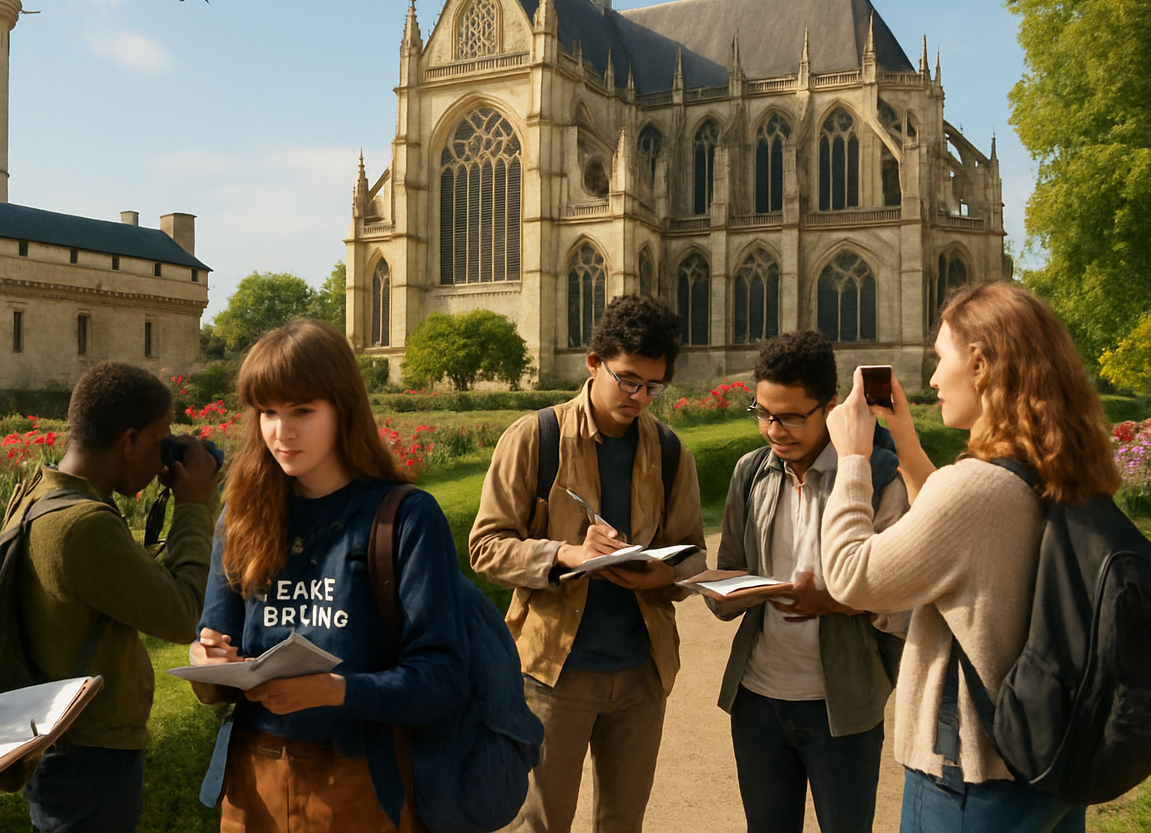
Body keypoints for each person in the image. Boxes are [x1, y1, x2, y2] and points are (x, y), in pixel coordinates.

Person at [821, 281, 1118, 832]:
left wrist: (854, 459)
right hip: (1047, 758)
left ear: (979, 364)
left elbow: (850, 576)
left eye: (941, 359)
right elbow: (959, 536)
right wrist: (903, 438)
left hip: (970, 773)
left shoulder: (975, 490)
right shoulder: (1057, 471)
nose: (932, 378)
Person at [189, 319, 468, 832]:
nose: (281, 431)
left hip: (360, 781)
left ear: (344, 409)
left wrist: (335, 690)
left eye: (302, 411)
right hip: (254, 785)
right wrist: (207, 658)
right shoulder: (243, 514)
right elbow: (215, 639)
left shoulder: (403, 517)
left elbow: (442, 679)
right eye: (268, 412)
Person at [468, 294, 706, 833]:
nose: (640, 397)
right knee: (541, 824)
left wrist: (664, 573)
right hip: (554, 675)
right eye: (627, 380)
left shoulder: (671, 453)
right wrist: (565, 554)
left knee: (623, 822)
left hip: (642, 672)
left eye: (653, 386)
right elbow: (484, 545)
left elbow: (691, 550)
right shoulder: (536, 437)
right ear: (593, 362)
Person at [1, 361, 216, 833]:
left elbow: (124, 586)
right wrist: (195, 505)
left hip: (56, 739)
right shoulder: (83, 525)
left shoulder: (42, 492)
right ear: (128, 441)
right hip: (88, 753)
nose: (164, 458)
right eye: (160, 441)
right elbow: (184, 614)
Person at [710, 330, 909, 833]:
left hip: (841, 707)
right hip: (756, 701)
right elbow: (730, 566)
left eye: (792, 416)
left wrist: (839, 600)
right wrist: (720, 589)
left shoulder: (879, 477)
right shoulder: (749, 473)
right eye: (763, 413)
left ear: (832, 408)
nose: (775, 430)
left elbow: (904, 602)